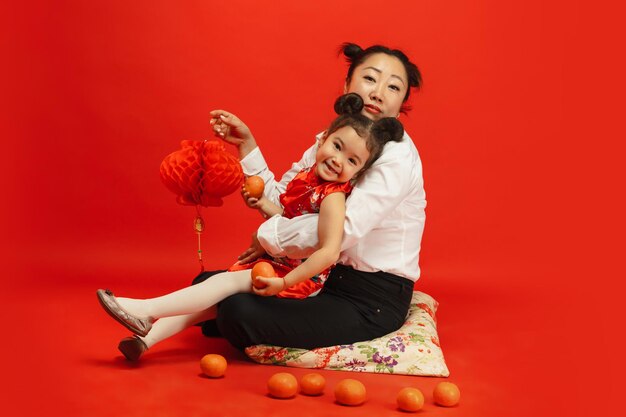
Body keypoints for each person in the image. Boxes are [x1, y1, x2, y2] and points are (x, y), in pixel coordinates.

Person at [96, 93, 404, 361]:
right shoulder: (308, 178)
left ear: (358, 172)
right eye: (337, 146)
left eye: (352, 161)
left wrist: (284, 282)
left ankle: (144, 310)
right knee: (212, 301)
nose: (339, 160)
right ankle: (144, 339)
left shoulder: (333, 197)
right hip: (277, 263)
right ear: (322, 140)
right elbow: (288, 214)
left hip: (297, 277)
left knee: (224, 286)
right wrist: (264, 205)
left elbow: (327, 251)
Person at [211, 42, 426, 351]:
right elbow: (286, 201)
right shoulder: (334, 141)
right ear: (348, 84)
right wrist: (247, 145)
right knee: (206, 284)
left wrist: (269, 236)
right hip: (320, 276)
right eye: (370, 78)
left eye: (393, 87)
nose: (378, 92)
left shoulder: (397, 156)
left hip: (370, 297)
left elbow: (340, 232)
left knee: (236, 311)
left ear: (401, 104)